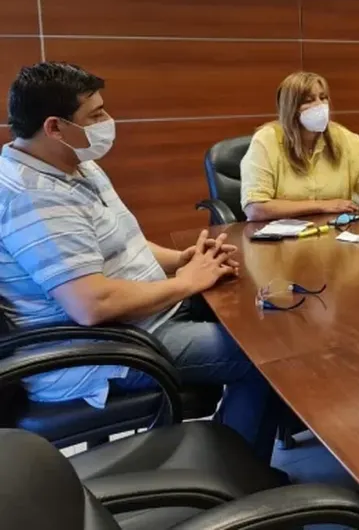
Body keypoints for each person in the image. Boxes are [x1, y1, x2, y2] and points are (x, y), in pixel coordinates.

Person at [0, 62, 284, 460]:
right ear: (54, 127)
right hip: (106, 349)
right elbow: (91, 304)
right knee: (267, 358)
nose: (107, 123)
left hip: (142, 319)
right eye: (95, 115)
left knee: (259, 312)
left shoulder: (75, 164)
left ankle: (226, 445)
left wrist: (182, 260)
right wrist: (186, 282)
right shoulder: (32, 197)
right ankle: (239, 471)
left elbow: (125, 243)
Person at [240, 71, 359, 221]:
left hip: (334, 232)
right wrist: (322, 206)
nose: (320, 105)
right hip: (276, 236)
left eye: (323, 98)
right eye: (309, 101)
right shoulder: (266, 141)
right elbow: (255, 208)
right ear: (291, 108)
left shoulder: (345, 138)